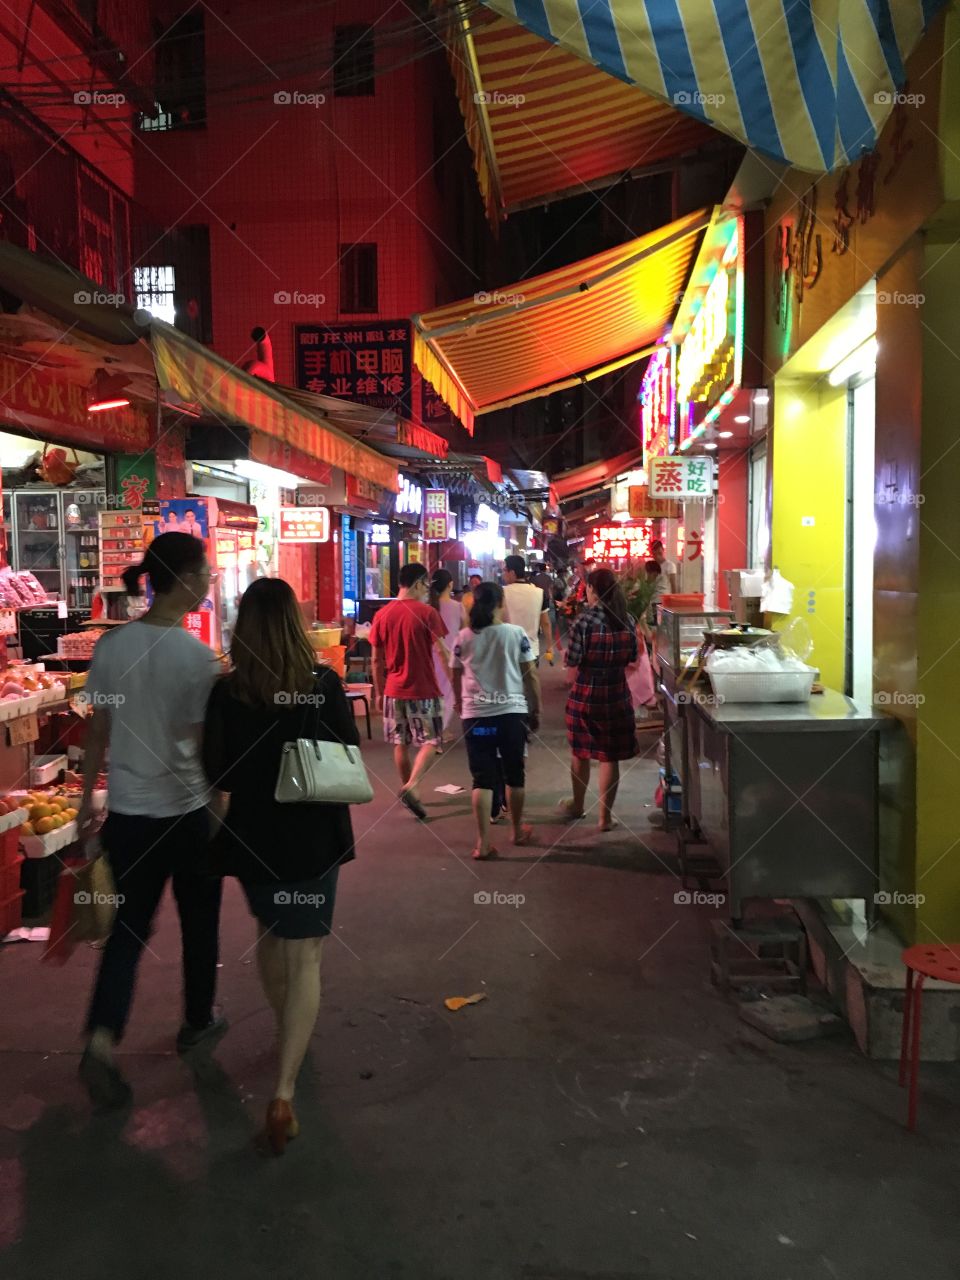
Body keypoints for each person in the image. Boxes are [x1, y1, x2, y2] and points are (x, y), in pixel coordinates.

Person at [202, 578, 358, 1156]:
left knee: (272, 933)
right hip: (312, 835)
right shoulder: (322, 685)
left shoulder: (226, 694)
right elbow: (346, 747)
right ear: (295, 626)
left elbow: (215, 772)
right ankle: (284, 1090)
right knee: (307, 952)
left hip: (252, 838)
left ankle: (287, 1029)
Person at [77, 533, 224, 1109]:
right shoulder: (197, 658)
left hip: (128, 817)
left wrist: (87, 803)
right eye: (205, 573)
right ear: (184, 580)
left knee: (128, 931)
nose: (210, 581)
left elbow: (97, 732)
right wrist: (220, 809)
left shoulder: (113, 648)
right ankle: (197, 1019)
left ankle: (101, 1036)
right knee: (199, 923)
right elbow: (202, 744)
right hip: (185, 813)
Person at [451, 582, 541, 859]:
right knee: (515, 774)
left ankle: (483, 843)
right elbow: (530, 675)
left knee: (482, 779)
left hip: (477, 719)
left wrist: (460, 703)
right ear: (501, 603)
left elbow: (455, 675)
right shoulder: (516, 634)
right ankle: (515, 831)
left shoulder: (463, 637)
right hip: (511, 716)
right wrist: (534, 709)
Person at [370, 562, 450, 819]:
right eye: (426, 585)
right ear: (417, 584)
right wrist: (456, 686)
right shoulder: (427, 613)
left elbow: (375, 659)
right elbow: (442, 651)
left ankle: (407, 790)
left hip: (393, 690)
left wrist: (379, 692)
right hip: (424, 689)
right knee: (431, 741)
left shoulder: (382, 615)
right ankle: (412, 785)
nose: (428, 591)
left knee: (400, 743)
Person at [563, 567, 638, 832]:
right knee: (609, 756)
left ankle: (578, 805)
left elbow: (571, 659)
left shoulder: (584, 621)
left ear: (593, 590)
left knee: (580, 753)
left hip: (585, 694)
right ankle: (604, 819)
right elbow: (632, 657)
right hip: (616, 693)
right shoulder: (626, 619)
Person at [429, 568, 463, 741]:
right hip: (449, 654)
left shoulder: (428, 607)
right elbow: (465, 630)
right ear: (450, 585)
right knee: (448, 693)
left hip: (430, 655)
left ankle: (434, 728)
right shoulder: (457, 606)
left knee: (434, 692)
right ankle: (440, 730)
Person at [502, 554, 552, 665]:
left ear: (512, 573)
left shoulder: (501, 593)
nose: (503, 574)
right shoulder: (539, 593)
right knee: (530, 682)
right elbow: (545, 623)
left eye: (505, 570)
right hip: (531, 652)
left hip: (508, 651)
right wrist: (549, 647)